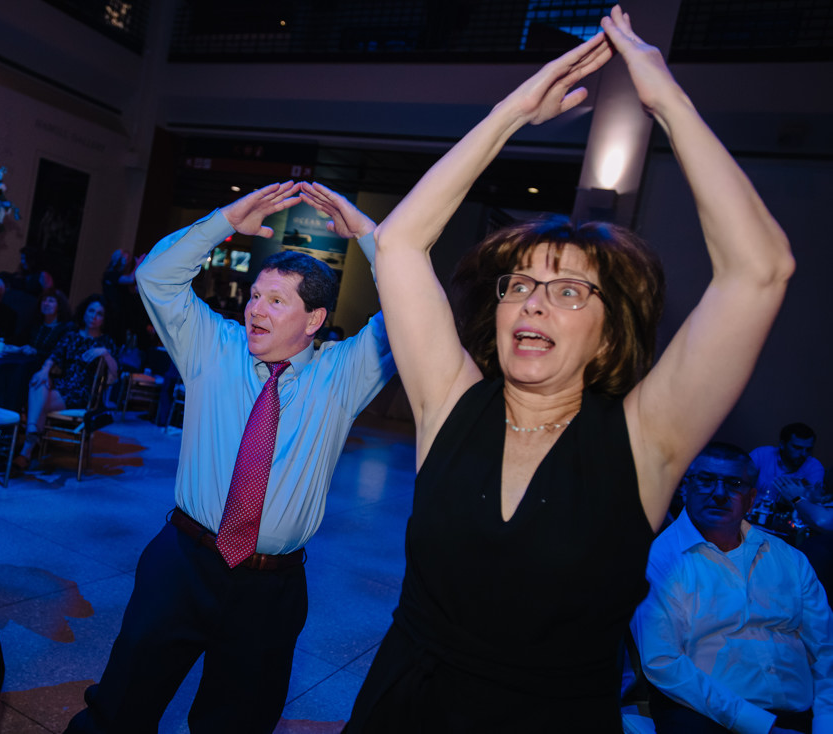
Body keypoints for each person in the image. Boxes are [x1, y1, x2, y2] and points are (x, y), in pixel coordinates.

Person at [345, 7, 794, 731]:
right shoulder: (450, 401)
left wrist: (666, 102)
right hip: (405, 703)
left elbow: (760, 271)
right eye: (519, 284)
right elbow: (397, 244)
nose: (533, 303)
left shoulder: (646, 439)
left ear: (609, 332)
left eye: (567, 291)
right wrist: (510, 113)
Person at [62, 182, 395, 734]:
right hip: (183, 562)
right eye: (255, 295)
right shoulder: (211, 347)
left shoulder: (344, 374)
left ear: (313, 320)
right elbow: (156, 276)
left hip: (271, 588)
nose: (254, 310)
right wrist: (224, 221)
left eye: (275, 301)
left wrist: (367, 233)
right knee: (118, 709)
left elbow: (411, 309)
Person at [631, 443, 833, 734]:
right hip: (707, 714)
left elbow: (825, 647)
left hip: (801, 712)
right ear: (686, 487)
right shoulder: (660, 561)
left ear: (751, 498)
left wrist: (826, 723)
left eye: (734, 484)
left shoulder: (788, 558)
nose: (719, 493)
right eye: (707, 480)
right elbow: (664, 662)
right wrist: (764, 728)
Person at [15, 294, 119, 468]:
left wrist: (105, 353)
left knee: (40, 401)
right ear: (84, 313)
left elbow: (114, 375)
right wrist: (45, 370)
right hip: (63, 387)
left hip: (84, 393)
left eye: (99, 314)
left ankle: (27, 446)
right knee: (38, 379)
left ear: (104, 319)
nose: (94, 316)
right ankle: (31, 436)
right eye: (91, 311)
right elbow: (53, 357)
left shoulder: (106, 342)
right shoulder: (71, 336)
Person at [750, 423, 825, 526]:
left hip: (786, 525)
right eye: (797, 448)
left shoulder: (814, 467)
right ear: (782, 444)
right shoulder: (761, 455)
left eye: (808, 449)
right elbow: (740, 484)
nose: (804, 454)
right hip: (752, 517)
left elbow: (811, 506)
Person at [20, 288, 74, 360]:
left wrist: (36, 352)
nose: (46, 303)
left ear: (60, 305)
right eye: (44, 300)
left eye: (51, 301)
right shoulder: (35, 323)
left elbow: (61, 354)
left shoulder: (67, 328)